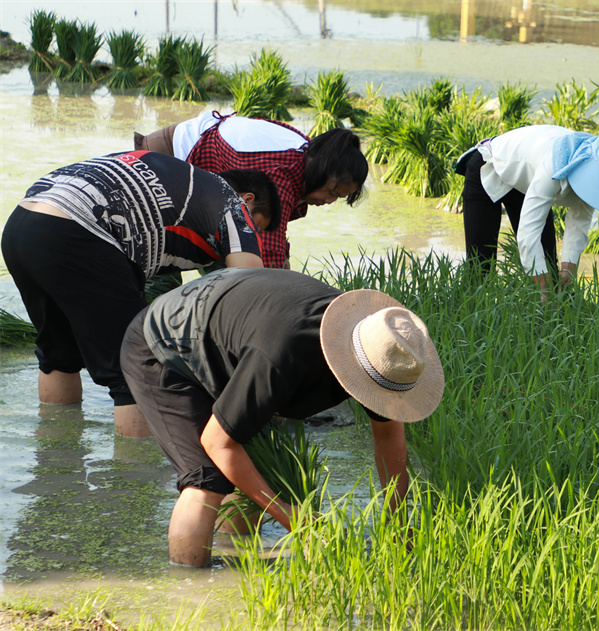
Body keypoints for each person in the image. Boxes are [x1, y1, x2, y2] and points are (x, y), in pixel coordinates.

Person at [119, 268, 444, 567]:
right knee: (205, 480)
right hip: (163, 344)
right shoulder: (284, 355)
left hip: (227, 335)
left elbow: (388, 437)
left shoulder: (379, 352)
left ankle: (235, 564)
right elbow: (217, 442)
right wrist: (289, 516)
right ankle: (190, 593)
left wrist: (397, 522)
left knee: (253, 466)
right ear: (353, 366)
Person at [0, 150, 278, 438]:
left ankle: (56, 461)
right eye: (258, 226)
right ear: (248, 200)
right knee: (137, 369)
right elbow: (248, 285)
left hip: (22, 226)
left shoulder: (182, 182)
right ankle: (134, 473)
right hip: (77, 229)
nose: (253, 235)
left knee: (59, 355)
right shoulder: (231, 202)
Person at [135, 111, 368, 269]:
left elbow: (272, 243)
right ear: (322, 171)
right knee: (160, 267)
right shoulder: (281, 173)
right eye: (333, 192)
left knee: (230, 260)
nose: (329, 201)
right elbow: (267, 253)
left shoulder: (309, 155)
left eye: (338, 198)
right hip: (164, 163)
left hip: (192, 176)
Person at [457, 125, 599, 296]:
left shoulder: (595, 168)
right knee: (480, 269)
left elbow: (580, 220)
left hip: (526, 181)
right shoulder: (556, 163)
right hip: (489, 167)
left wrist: (568, 269)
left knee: (549, 268)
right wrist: (544, 292)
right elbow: (527, 235)